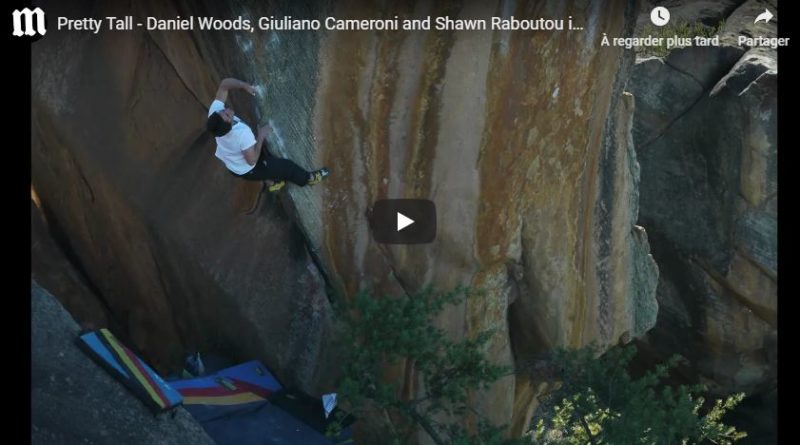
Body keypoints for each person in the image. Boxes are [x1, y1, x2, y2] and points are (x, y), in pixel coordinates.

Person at [206, 78, 328, 191]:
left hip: (233, 164)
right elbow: (252, 160)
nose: (227, 110)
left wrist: (243, 85)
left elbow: (224, 85)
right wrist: (260, 137)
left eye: (223, 111)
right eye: (227, 115)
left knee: (266, 161)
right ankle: (309, 179)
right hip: (247, 169)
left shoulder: (215, 114)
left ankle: (273, 183)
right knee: (287, 167)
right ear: (229, 127)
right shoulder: (241, 134)